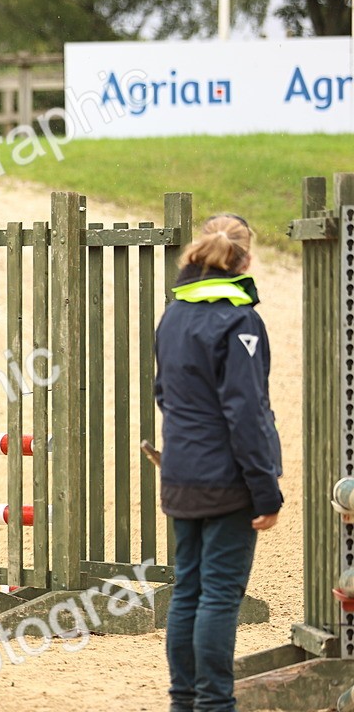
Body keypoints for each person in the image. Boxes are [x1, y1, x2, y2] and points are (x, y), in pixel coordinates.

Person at [155, 213, 282, 712]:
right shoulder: (241, 319)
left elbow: (163, 392)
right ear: (245, 260)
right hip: (227, 480)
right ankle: (215, 704)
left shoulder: (173, 314)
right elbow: (245, 413)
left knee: (188, 589)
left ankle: (183, 702)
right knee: (221, 595)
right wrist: (266, 488)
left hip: (181, 472)